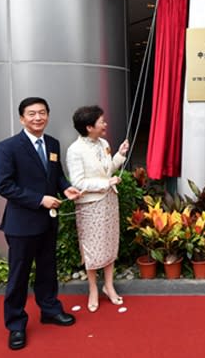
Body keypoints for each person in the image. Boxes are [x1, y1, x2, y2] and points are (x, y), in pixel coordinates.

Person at [0, 97, 81, 350]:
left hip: (48, 222)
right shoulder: (7, 147)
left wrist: (66, 189)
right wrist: (39, 199)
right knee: (19, 276)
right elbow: (4, 185)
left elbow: (57, 176)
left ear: (48, 115)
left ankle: (50, 310)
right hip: (21, 224)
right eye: (31, 114)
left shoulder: (52, 143)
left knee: (47, 270)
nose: (37, 118)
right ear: (22, 118)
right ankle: (16, 324)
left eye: (42, 113)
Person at [65, 105, 129, 312]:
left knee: (109, 243)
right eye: (102, 121)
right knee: (92, 248)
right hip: (90, 205)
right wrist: (106, 184)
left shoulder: (104, 143)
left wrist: (119, 155)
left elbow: (108, 169)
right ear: (89, 126)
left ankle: (109, 286)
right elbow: (78, 182)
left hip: (109, 201)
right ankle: (93, 288)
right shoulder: (75, 150)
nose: (105, 124)